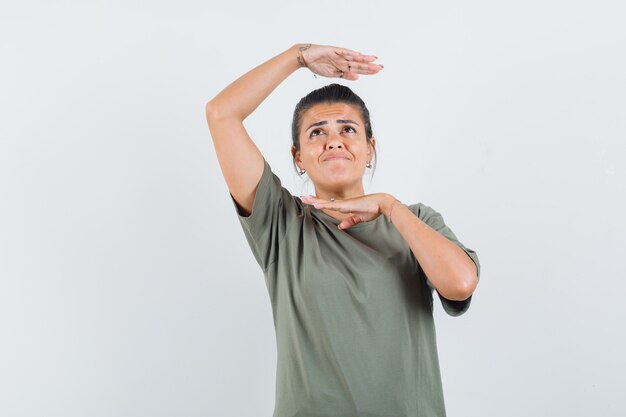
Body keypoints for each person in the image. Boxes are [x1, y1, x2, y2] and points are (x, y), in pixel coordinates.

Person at [205, 43, 480, 417]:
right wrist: (298, 56)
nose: (333, 139)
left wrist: (389, 208)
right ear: (298, 157)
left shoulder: (414, 220)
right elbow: (221, 114)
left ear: (369, 148)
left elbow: (461, 283)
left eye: (347, 129)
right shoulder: (282, 223)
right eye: (317, 132)